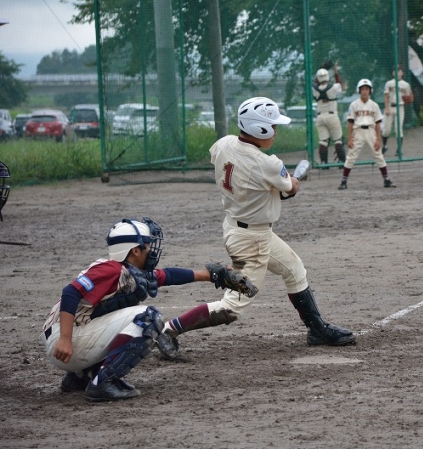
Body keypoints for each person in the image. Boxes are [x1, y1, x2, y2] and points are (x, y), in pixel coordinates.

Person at [155, 97, 356, 361]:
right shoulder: (267, 164)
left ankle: (317, 329)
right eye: (273, 127)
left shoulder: (224, 143)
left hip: (240, 227)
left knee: (294, 269)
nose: (276, 131)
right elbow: (290, 188)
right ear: (259, 128)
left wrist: (270, 187)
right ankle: (168, 330)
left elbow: (245, 175)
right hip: (252, 240)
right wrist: (292, 181)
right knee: (232, 306)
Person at [41, 217, 244, 401]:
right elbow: (70, 293)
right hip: (65, 341)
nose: (151, 250)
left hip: (71, 338)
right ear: (135, 251)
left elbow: (167, 275)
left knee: (122, 318)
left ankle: (80, 377)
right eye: (147, 245)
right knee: (147, 318)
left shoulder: (127, 271)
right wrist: (65, 339)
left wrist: (210, 275)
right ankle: (102, 383)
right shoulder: (110, 269)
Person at [338, 79, 396, 190]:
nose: (365, 91)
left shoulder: (374, 105)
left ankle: (386, 179)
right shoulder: (354, 105)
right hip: (358, 131)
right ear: (359, 91)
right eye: (363, 89)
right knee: (351, 156)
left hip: (371, 131)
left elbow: (378, 123)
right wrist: (349, 138)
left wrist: (378, 139)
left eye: (367, 89)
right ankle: (343, 181)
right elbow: (350, 122)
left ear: (370, 91)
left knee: (378, 155)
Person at [312, 62, 346, 165]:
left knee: (323, 141)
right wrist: (335, 72)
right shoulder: (333, 87)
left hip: (320, 117)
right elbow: (339, 83)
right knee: (338, 140)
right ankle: (341, 161)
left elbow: (317, 81)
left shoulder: (314, 88)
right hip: (332, 116)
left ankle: (324, 163)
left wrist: (321, 69)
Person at [381, 66, 413, 154]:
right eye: (395, 70)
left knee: (398, 130)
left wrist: (408, 98)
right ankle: (385, 146)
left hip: (400, 107)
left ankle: (399, 149)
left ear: (402, 73)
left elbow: (409, 97)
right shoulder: (388, 83)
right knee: (386, 130)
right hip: (390, 106)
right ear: (393, 73)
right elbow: (386, 96)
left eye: (399, 71)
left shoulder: (406, 85)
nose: (396, 72)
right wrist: (387, 108)